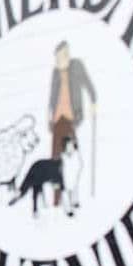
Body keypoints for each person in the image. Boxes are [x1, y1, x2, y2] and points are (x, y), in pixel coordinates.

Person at [48, 41, 96, 206]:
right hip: (57, 120)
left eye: (61, 56)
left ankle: (73, 196)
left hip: (71, 119)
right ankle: (57, 198)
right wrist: (49, 117)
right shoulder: (55, 72)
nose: (58, 60)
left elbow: (87, 83)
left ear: (67, 54)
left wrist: (93, 100)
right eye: (57, 58)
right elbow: (52, 96)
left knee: (72, 158)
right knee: (55, 160)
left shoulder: (76, 66)